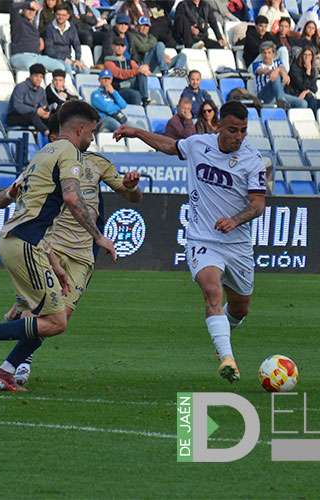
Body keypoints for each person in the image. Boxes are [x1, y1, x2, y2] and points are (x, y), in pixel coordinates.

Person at [0, 101, 120, 390]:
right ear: (80, 129)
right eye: (91, 133)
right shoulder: (69, 153)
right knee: (55, 321)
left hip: (26, 242)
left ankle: (4, 372)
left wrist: (55, 265)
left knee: (52, 317)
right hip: (26, 242)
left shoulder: (44, 154)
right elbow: (71, 198)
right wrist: (99, 236)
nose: (91, 139)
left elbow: (2, 200)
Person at [113, 100, 268, 383]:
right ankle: (226, 358)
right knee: (211, 291)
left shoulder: (252, 159)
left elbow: (258, 204)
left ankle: (221, 330)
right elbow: (170, 146)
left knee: (239, 308)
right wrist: (137, 133)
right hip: (202, 238)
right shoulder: (198, 145)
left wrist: (235, 219)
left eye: (243, 131)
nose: (238, 136)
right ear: (219, 126)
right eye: (233, 129)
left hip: (238, 244)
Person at [0, 149, 143, 389]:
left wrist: (132, 187)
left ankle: (14, 335)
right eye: (90, 131)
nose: (92, 138)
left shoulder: (97, 163)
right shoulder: (45, 162)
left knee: (60, 317)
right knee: (48, 316)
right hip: (50, 245)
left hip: (82, 253)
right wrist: (10, 193)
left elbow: (132, 197)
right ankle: (14, 363)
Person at [9, 1, 64, 72]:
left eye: (33, 10)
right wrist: (29, 4)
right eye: (29, 9)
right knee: (33, 66)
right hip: (20, 56)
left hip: (36, 57)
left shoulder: (35, 26)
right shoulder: (18, 21)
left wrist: (40, 38)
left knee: (60, 66)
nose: (31, 12)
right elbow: (13, 7)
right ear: (23, 10)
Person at [252, 41, 307, 108]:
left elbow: (283, 69)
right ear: (261, 54)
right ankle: (281, 102)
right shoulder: (257, 64)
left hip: (279, 94)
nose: (266, 55)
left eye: (269, 53)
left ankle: (282, 103)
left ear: (273, 54)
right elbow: (264, 71)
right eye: (264, 53)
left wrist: (284, 74)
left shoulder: (278, 62)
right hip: (264, 95)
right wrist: (278, 71)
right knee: (276, 77)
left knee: (303, 103)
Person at [103, 38, 151, 106]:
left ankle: (145, 99)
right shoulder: (108, 62)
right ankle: (138, 111)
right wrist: (138, 70)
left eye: (122, 45)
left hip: (131, 86)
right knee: (136, 94)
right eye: (117, 45)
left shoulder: (130, 62)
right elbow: (120, 73)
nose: (120, 47)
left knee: (142, 74)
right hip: (118, 89)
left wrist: (145, 68)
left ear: (125, 48)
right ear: (112, 46)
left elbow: (143, 71)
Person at [43, 4, 87, 74]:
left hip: (68, 59)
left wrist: (77, 59)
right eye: (58, 14)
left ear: (68, 16)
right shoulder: (49, 28)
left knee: (85, 69)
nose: (60, 17)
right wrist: (65, 59)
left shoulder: (71, 27)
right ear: (55, 14)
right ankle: (72, 84)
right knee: (67, 68)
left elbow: (76, 44)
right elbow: (49, 51)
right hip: (54, 59)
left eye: (63, 15)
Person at [7, 63, 51, 133]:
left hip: (34, 117)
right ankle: (46, 131)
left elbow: (44, 106)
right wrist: (36, 111)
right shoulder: (20, 87)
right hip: (16, 116)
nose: (38, 79)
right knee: (32, 115)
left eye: (41, 77)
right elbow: (17, 106)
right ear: (30, 76)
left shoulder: (41, 91)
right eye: (36, 76)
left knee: (52, 117)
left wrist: (45, 112)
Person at [288, 46, 320, 113]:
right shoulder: (294, 68)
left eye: (309, 55)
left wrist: (306, 91)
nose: (307, 57)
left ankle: (317, 122)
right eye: (305, 54)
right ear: (301, 56)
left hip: (305, 94)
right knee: (311, 100)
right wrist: (308, 72)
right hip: (295, 94)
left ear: (312, 57)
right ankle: (312, 120)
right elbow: (302, 86)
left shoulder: (312, 70)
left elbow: (314, 89)